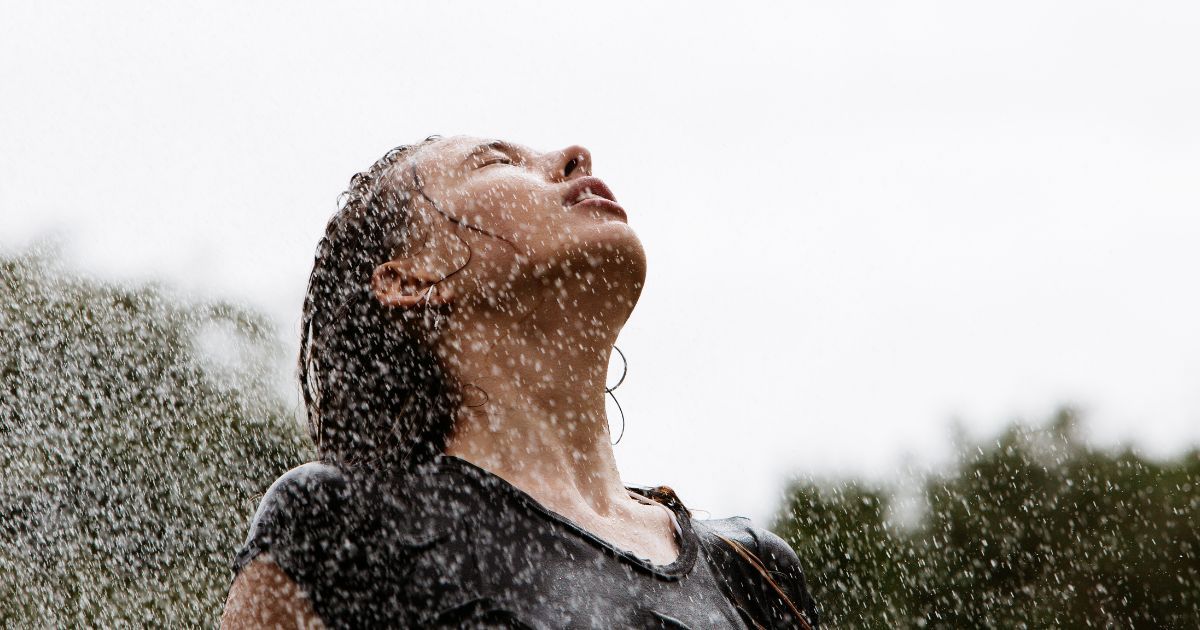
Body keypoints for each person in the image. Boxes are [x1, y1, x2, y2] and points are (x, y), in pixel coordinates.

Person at [221, 136, 820, 629]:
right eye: (499, 162)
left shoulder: (751, 567)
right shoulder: (344, 521)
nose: (574, 156)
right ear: (410, 280)